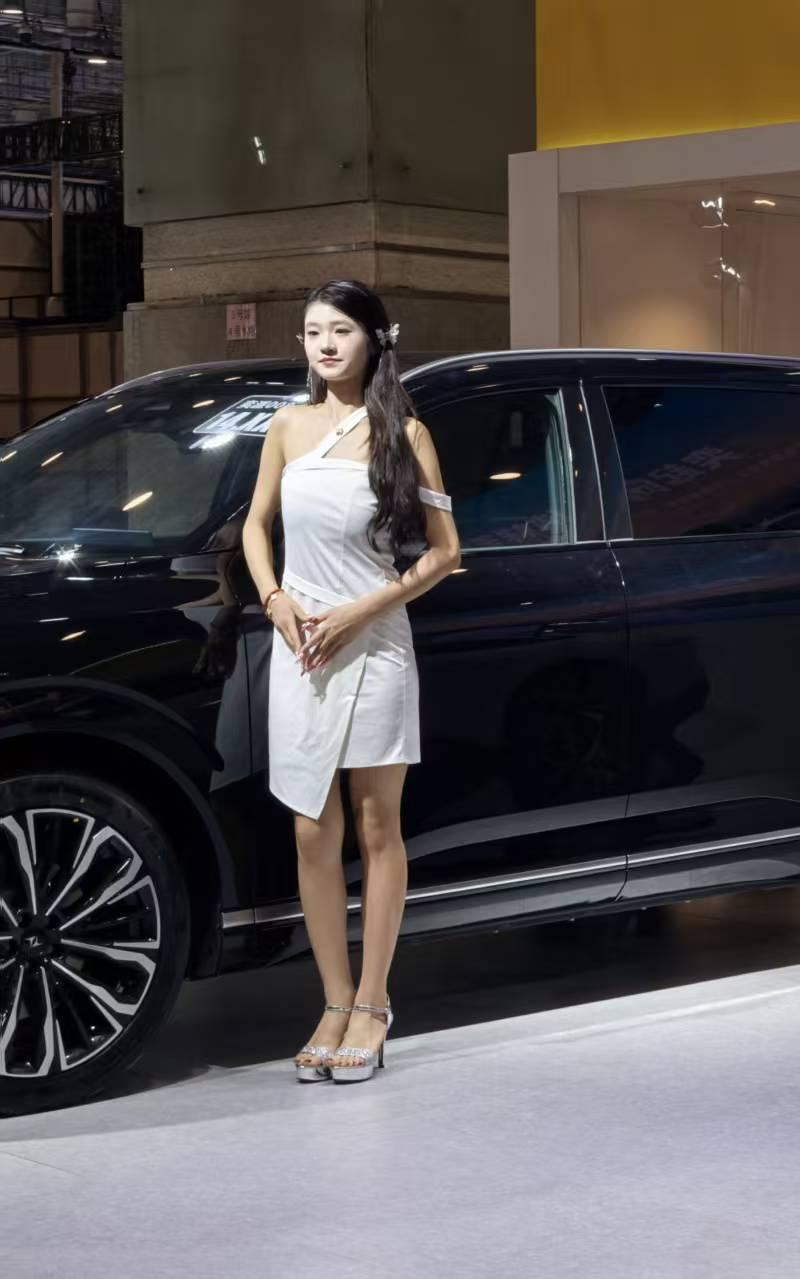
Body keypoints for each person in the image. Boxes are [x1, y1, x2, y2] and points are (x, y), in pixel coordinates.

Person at [241, 280, 461, 1083]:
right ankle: (333, 1000)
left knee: (376, 826)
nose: (326, 345)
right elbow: (254, 525)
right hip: (302, 644)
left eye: (340, 330)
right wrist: (275, 598)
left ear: (373, 338)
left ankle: (373, 1003)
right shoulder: (286, 426)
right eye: (312, 332)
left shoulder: (406, 432)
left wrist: (364, 609)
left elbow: (446, 551)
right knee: (311, 827)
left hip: (374, 642)